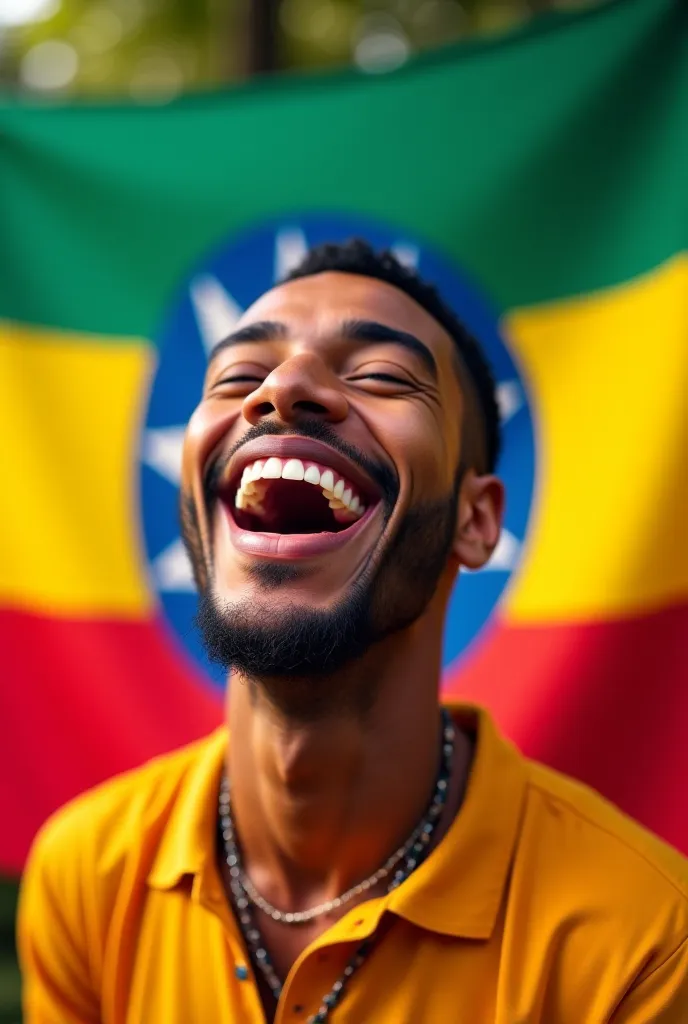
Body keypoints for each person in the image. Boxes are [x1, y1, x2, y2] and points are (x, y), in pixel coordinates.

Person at [18, 240, 688, 1023]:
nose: (283, 389)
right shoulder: (86, 876)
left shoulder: (641, 941)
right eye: (238, 376)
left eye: (379, 376)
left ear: (477, 522)